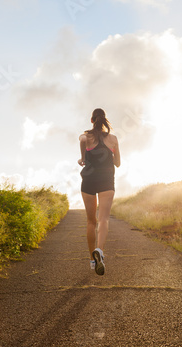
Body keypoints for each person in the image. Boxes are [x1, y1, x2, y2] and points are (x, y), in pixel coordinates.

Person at [78, 108, 121, 275]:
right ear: (104, 120)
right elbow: (117, 163)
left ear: (92, 120)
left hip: (89, 180)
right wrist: (112, 153)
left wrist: (82, 158)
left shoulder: (86, 136)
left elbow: (82, 140)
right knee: (103, 219)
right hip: (106, 181)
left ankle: (91, 260)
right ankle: (100, 252)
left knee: (91, 221)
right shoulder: (113, 139)